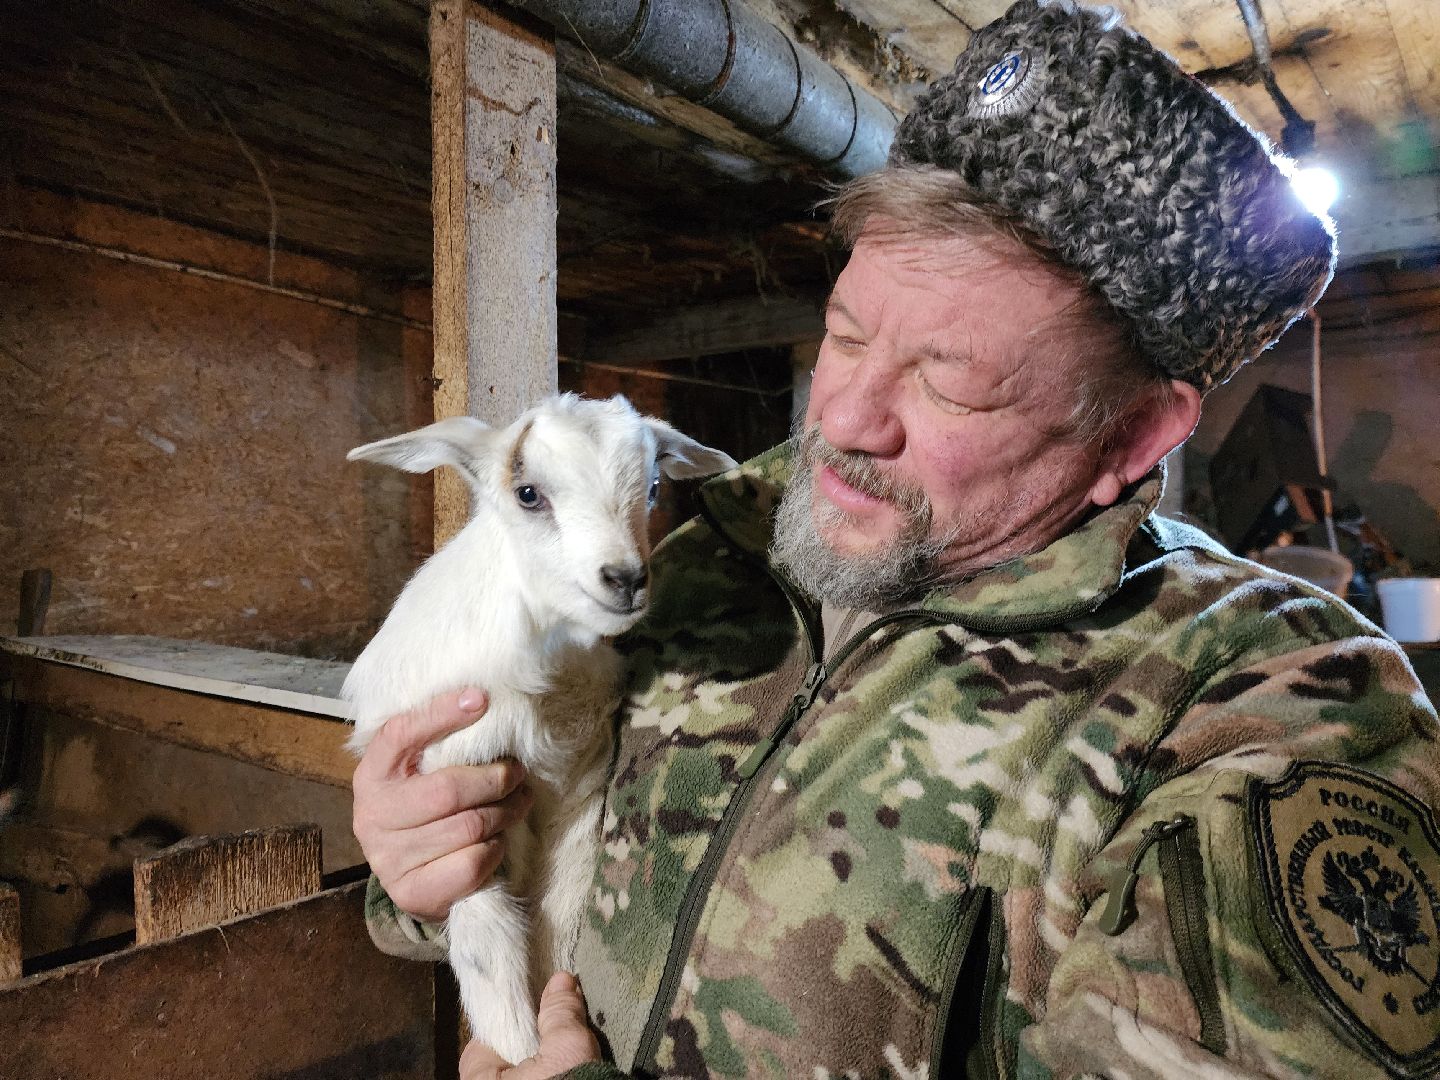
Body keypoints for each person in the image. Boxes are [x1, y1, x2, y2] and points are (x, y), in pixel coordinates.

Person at [352, 2, 1440, 1077]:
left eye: (952, 383)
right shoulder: (710, 554)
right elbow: (518, 842)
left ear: (1134, 433)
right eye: (846, 332)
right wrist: (428, 868)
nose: (842, 419)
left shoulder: (1274, 712)